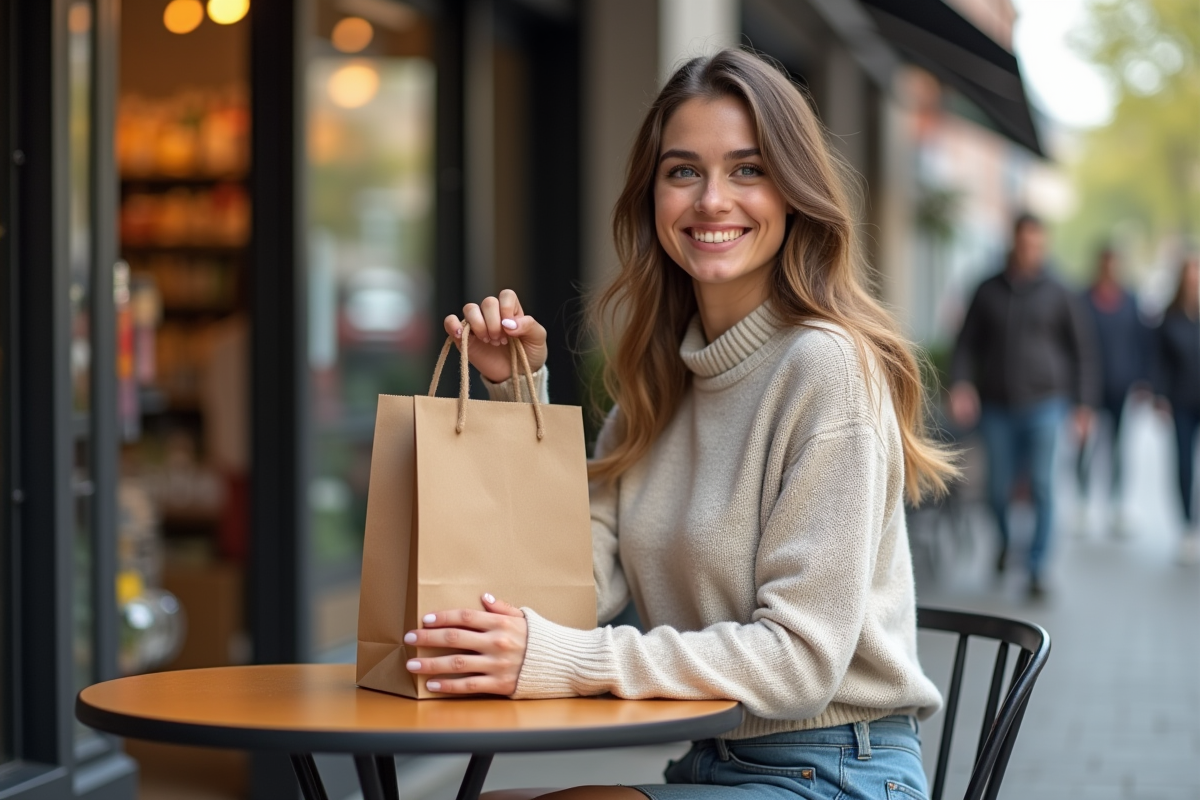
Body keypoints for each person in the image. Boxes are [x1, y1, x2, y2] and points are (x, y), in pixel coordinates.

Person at [399, 50, 958, 799]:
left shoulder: (826, 369)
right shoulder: (658, 386)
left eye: (748, 169)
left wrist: (574, 662)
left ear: (793, 193)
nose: (712, 200)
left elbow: (799, 664)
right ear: (652, 196)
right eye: (684, 171)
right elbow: (565, 590)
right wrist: (518, 395)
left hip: (838, 769)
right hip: (711, 761)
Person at [948, 214, 1099, 600]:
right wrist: (962, 384)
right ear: (1013, 242)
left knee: (1044, 485)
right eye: (1025, 243)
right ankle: (1003, 542)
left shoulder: (1060, 292)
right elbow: (965, 344)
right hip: (998, 407)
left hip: (1047, 403)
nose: (1031, 251)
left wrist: (1083, 406)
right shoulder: (987, 289)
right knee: (997, 490)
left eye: (1038, 244)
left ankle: (1036, 569)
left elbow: (1082, 351)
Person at [1074, 247, 1150, 537]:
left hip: (1120, 385)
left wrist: (1143, 379)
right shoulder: (1083, 300)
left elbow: (1141, 341)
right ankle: (1082, 501)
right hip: (1089, 387)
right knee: (1085, 446)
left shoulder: (1130, 300)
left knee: (1118, 447)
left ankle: (1116, 504)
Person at [1154, 256, 1200, 565]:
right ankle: (1187, 526)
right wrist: (1159, 395)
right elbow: (1158, 362)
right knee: (1183, 463)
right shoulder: (1169, 319)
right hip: (1182, 401)